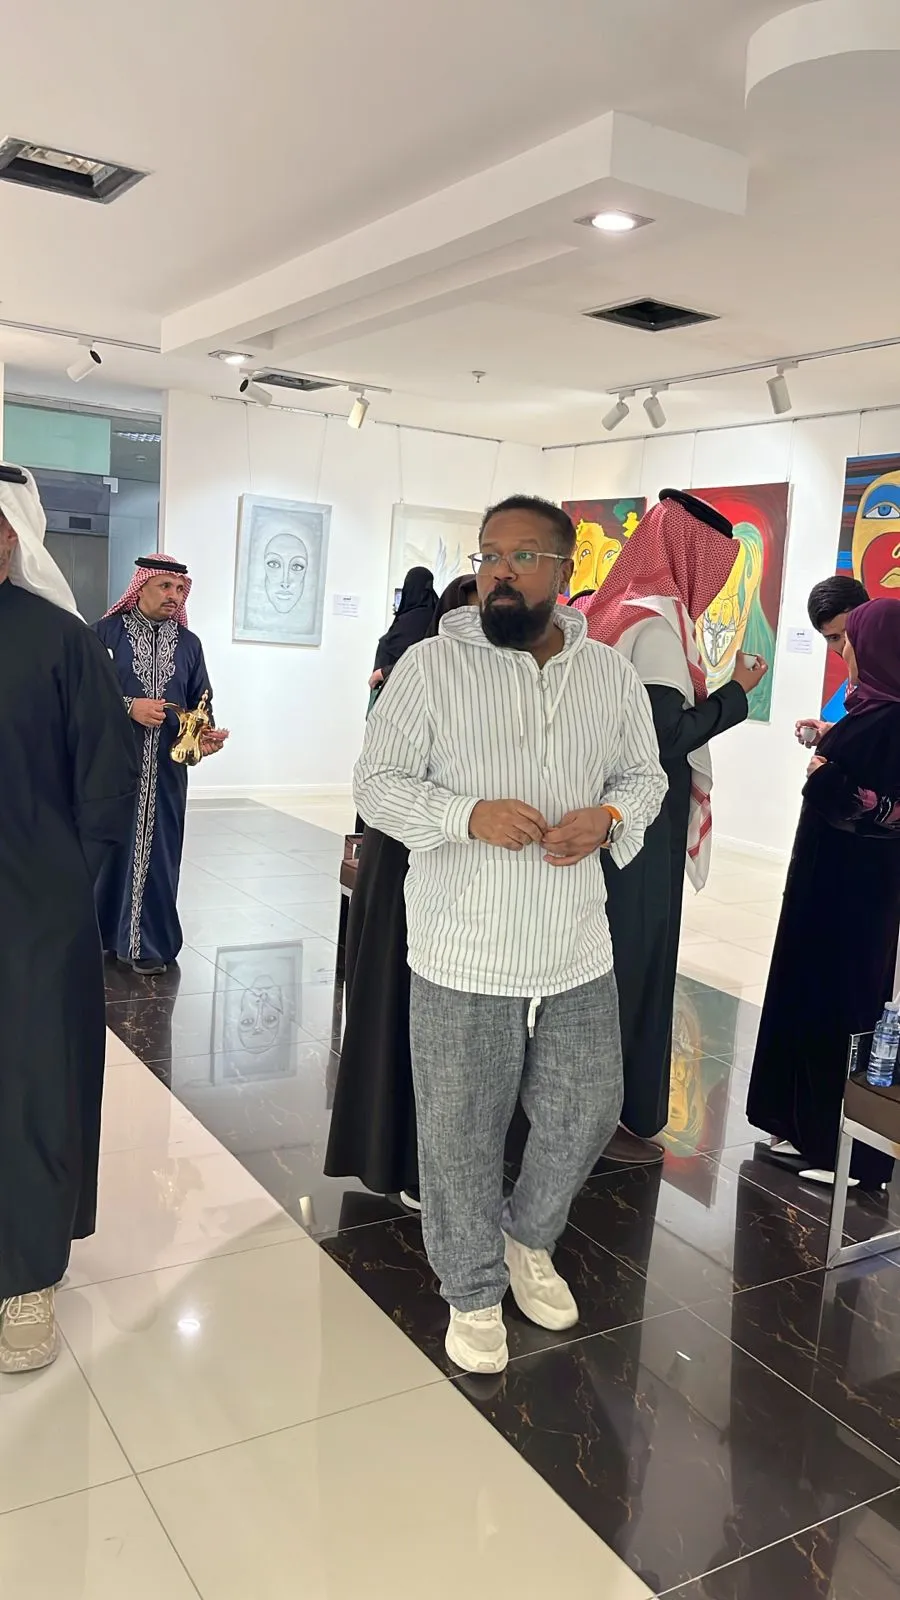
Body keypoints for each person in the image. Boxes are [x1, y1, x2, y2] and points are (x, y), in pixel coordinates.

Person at [353, 494, 667, 1374]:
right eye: (490, 554)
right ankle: (472, 1287)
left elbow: (644, 778)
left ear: (565, 572)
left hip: (574, 942)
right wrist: (465, 815)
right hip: (465, 941)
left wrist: (609, 818)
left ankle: (528, 1235)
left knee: (588, 1106)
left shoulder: (608, 675)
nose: (499, 570)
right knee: (461, 1127)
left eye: (523, 556)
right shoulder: (430, 666)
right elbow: (376, 785)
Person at [579, 490, 768, 1161]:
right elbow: (666, 737)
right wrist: (737, 694)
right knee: (635, 965)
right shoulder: (658, 628)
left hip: (609, 819)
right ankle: (608, 1117)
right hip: (643, 829)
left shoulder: (617, 609)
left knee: (604, 963)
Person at [0, 463, 137, 1372]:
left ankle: (26, 1277)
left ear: (10, 535)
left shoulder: (60, 642)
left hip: (31, 918)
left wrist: (57, 891)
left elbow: (104, 785)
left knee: (32, 1088)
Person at [326, 574, 477, 1208]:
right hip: (407, 865)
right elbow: (381, 781)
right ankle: (404, 1160)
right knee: (402, 1007)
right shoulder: (426, 674)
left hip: (463, 882)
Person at [747, 599, 900, 1189]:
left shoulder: (893, 717)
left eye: (851, 638)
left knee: (841, 1010)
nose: (846, 651)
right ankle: (805, 1127)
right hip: (828, 890)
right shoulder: (873, 708)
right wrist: (834, 741)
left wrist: (830, 779)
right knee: (810, 999)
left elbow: (881, 810)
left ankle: (848, 1157)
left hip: (855, 900)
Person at [94, 555, 229, 974]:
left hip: (167, 774)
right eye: (165, 586)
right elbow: (81, 695)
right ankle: (104, 935)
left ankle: (149, 943)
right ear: (141, 587)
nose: (174, 595)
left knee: (161, 854)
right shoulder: (104, 634)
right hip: (113, 767)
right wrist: (129, 706)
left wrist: (202, 736)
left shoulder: (189, 645)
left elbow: (199, 701)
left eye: (180, 589)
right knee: (109, 851)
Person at [795, 575, 869, 747]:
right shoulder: (854, 682)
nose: (846, 644)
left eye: (851, 631)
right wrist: (834, 733)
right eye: (834, 638)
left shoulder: (889, 677)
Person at [367, 565, 437, 697]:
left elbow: (411, 659)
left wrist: (382, 673)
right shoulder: (435, 616)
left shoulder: (414, 619)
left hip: (397, 693)